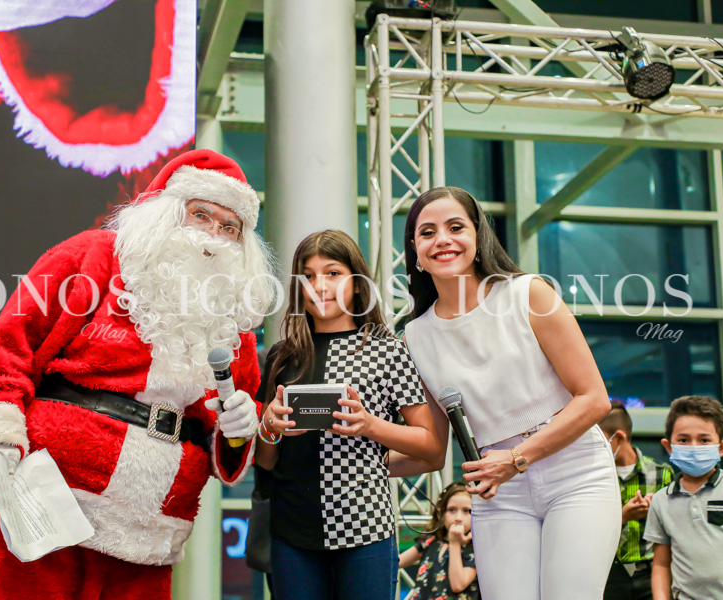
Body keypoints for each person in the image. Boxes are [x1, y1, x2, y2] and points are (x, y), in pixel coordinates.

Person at [0, 149, 277, 600]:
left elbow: (231, 425)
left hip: (150, 526)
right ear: (166, 212)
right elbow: (9, 349)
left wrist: (239, 429)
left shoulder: (231, 319)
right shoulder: (95, 254)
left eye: (229, 227)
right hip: (42, 494)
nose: (212, 236)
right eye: (200, 214)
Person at [392, 186, 621, 600]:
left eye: (455, 227)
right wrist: (353, 455)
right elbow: (431, 449)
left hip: (576, 473)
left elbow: (594, 399)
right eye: (427, 232)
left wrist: (517, 459)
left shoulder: (529, 293)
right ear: (415, 250)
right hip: (498, 491)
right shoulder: (415, 337)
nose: (442, 239)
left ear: (478, 236)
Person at [256, 229, 442, 600]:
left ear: (357, 284)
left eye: (333, 273)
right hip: (291, 531)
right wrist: (269, 427)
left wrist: (371, 425)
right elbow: (264, 461)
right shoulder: (282, 355)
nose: (319, 285)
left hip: (365, 530)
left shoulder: (387, 351)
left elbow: (432, 447)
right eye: (307, 276)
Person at [644, 395, 723, 600]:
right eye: (683, 440)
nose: (693, 447)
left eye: (704, 440)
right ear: (668, 447)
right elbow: (662, 565)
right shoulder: (661, 501)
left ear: (722, 447)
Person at [599, 401, 673, 600]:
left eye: (600, 440)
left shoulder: (661, 473)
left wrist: (657, 510)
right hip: (609, 574)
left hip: (651, 572)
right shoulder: (595, 479)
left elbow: (676, 526)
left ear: (620, 437)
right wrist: (621, 517)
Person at [399, 482, 480, 600]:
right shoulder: (430, 541)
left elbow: (458, 585)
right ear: (441, 513)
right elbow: (396, 563)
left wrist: (455, 543)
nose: (458, 518)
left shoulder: (475, 549)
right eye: (452, 510)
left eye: (467, 511)